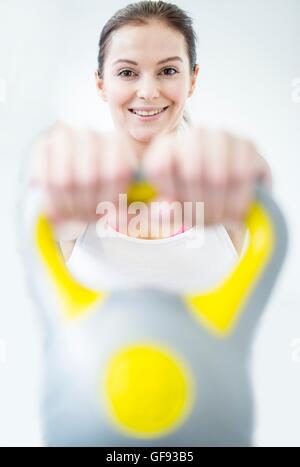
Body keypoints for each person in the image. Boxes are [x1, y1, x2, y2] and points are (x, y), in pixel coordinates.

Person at [28, 0, 272, 295]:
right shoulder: (78, 184)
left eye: (168, 71)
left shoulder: (225, 181)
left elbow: (252, 178)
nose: (148, 92)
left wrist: (248, 165)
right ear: (101, 84)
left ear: (192, 80)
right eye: (127, 73)